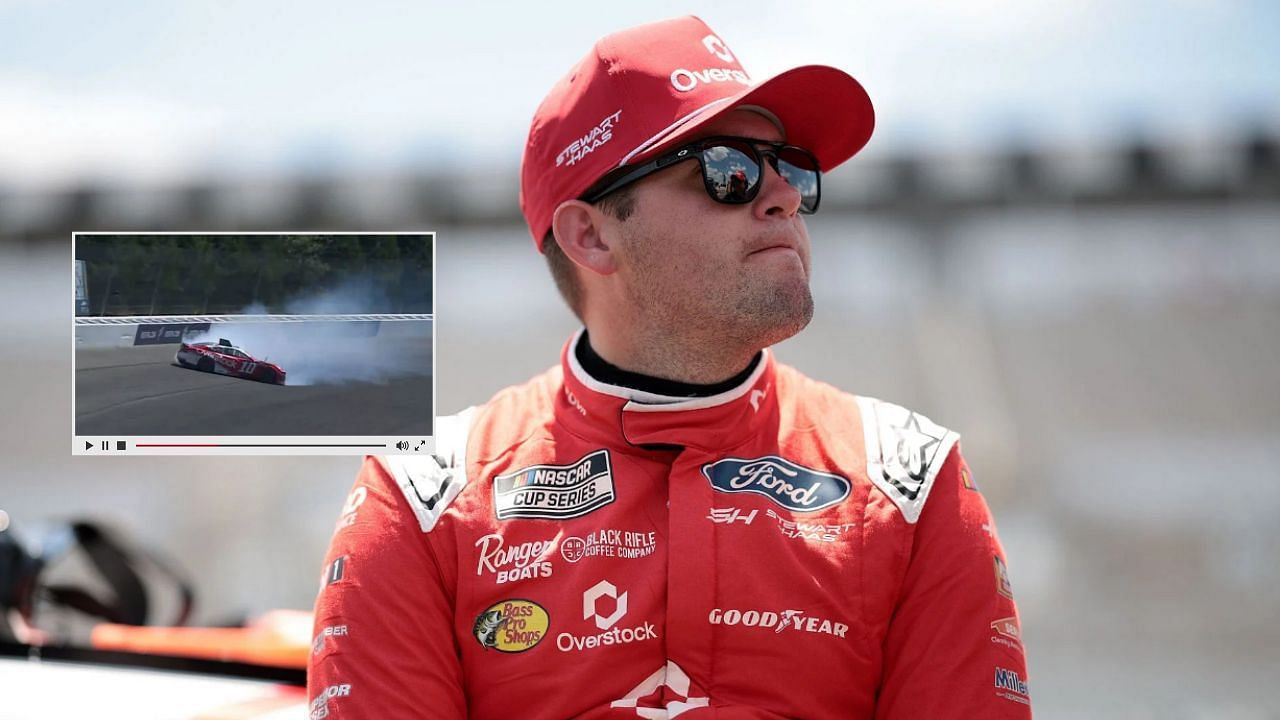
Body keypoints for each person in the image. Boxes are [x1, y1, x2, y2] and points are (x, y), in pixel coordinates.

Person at [308, 15, 1031, 719]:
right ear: (590, 235)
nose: (781, 196)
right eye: (729, 172)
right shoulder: (419, 492)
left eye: (793, 170)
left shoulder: (913, 479)